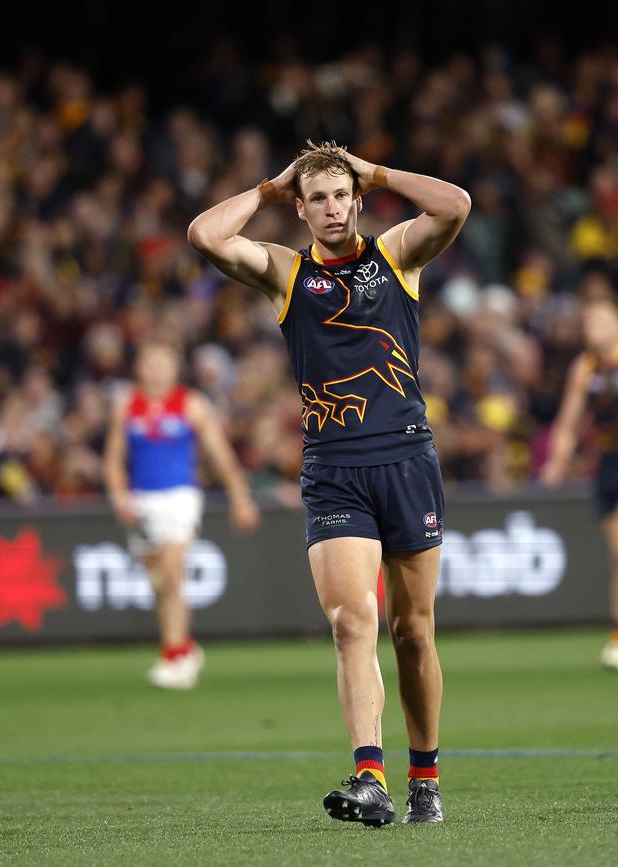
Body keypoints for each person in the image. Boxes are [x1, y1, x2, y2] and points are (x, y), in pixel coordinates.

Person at [187, 141, 470, 825]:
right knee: (351, 621)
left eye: (342, 195)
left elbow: (455, 204)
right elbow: (205, 234)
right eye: (318, 198)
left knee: (412, 630)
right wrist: (268, 187)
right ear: (304, 207)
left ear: (359, 200)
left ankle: (424, 775)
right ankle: (369, 775)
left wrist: (373, 170)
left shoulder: (396, 256)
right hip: (334, 469)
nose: (332, 207)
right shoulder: (287, 271)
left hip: (405, 461)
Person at [104, 339, 260, 689]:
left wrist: (240, 498)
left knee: (173, 575)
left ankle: (174, 654)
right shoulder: (127, 405)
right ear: (139, 367)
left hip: (180, 498)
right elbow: (114, 458)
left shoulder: (190, 404)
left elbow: (220, 456)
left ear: (175, 368)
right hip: (142, 499)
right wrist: (118, 495)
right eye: (151, 361)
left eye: (164, 361)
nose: (157, 369)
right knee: (159, 582)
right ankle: (183, 647)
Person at [541, 297, 618, 673]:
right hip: (610, 467)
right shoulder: (585, 368)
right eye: (589, 321)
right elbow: (569, 422)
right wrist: (556, 461)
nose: (593, 327)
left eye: (602, 318)